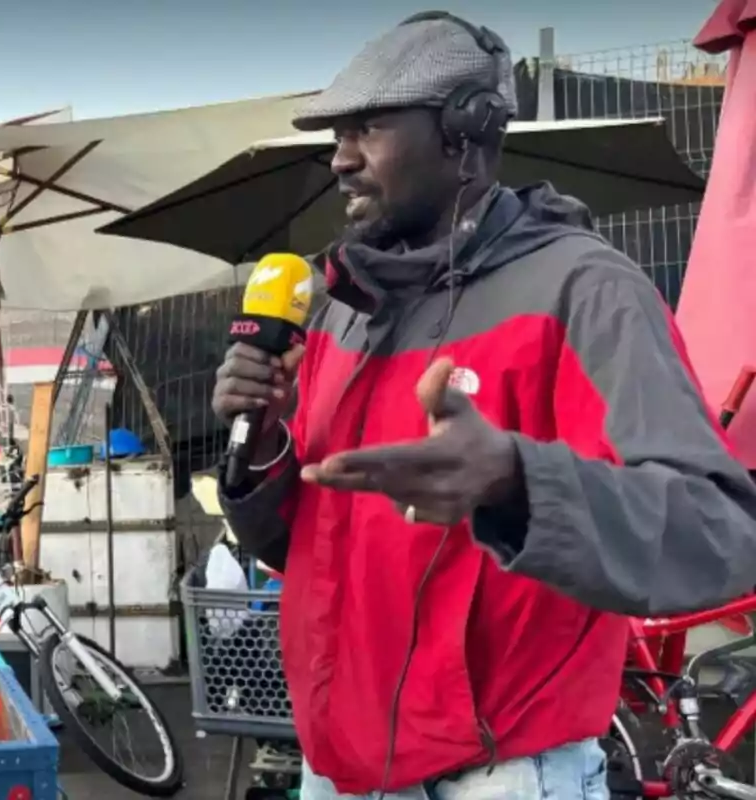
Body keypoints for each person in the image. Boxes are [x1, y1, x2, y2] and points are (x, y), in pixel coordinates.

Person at [212, 11, 756, 800]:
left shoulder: (584, 291)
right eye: (337, 134)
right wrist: (259, 445)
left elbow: (722, 530)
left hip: (503, 776)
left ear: (463, 130)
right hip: (338, 773)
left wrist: (518, 481)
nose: (341, 159)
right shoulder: (338, 308)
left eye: (367, 128)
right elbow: (301, 551)